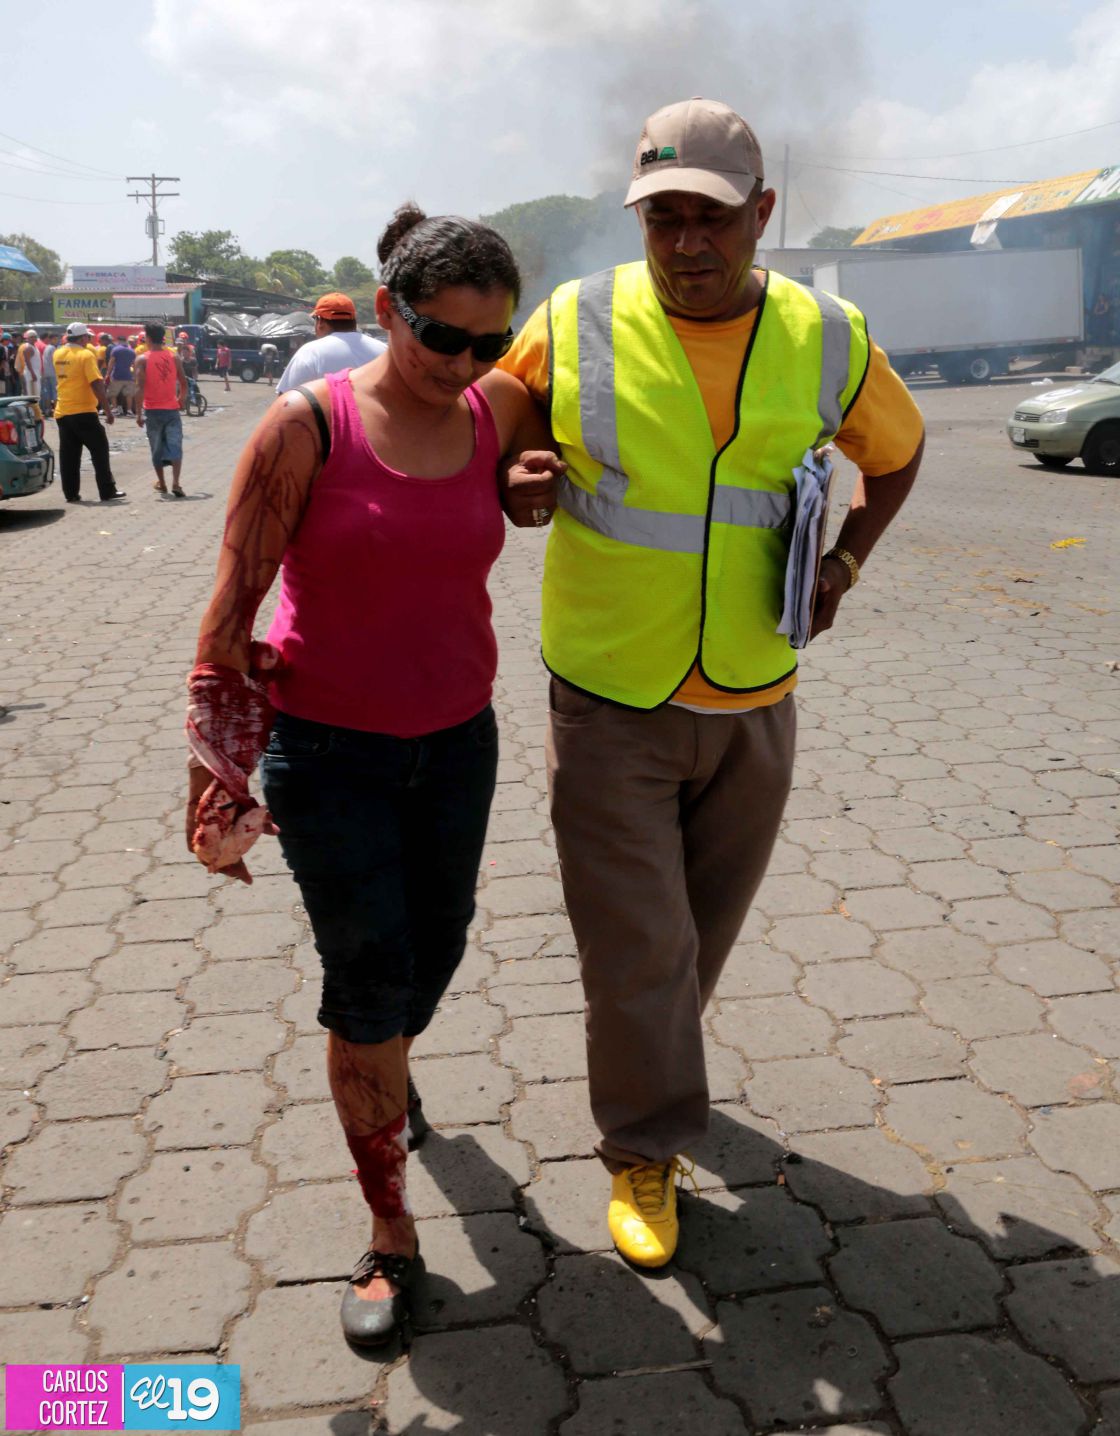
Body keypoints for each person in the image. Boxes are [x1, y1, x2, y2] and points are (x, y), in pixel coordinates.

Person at [500, 97, 925, 1269]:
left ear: (763, 215)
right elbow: (504, 421)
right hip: (608, 696)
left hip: (752, 695)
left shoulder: (828, 336)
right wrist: (514, 472)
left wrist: (843, 557)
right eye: (663, 218)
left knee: (696, 938)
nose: (687, 242)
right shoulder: (575, 318)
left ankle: (654, 1067)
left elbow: (897, 452)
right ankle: (643, 1145)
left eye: (712, 218)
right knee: (639, 946)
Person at [185, 204, 560, 1348]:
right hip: (328, 749)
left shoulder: (495, 405)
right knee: (366, 972)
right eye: (441, 337)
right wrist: (215, 771)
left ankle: (392, 1059)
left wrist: (526, 486)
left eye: (487, 345)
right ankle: (391, 1229)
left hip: (458, 737)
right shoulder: (306, 430)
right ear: (389, 310)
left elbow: (516, 489)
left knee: (435, 944)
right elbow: (229, 611)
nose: (464, 364)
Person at [52, 321, 126, 503]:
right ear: (84, 337)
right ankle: (107, 490)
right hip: (83, 411)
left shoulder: (58, 353)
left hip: (63, 411)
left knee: (69, 456)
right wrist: (108, 410)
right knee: (100, 450)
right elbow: (96, 383)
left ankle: (71, 493)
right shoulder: (85, 354)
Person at [275, 292, 385, 394]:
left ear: (321, 322)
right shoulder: (383, 350)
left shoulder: (311, 351)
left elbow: (286, 400)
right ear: (353, 320)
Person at [135, 322, 188, 495]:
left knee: (156, 448)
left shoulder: (142, 359)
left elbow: (140, 388)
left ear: (148, 338)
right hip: (172, 410)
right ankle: (176, 483)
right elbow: (184, 382)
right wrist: (181, 399)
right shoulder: (174, 357)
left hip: (152, 411)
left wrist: (138, 414)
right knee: (175, 446)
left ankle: (162, 483)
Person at [106, 335, 136, 416]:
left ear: (119, 341)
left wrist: (108, 374)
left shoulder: (115, 350)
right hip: (128, 376)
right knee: (129, 394)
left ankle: (115, 409)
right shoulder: (132, 351)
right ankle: (129, 411)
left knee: (112, 393)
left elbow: (111, 363)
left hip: (117, 375)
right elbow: (134, 364)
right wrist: (134, 375)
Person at [16, 329, 42, 402]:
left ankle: (35, 411)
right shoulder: (28, 348)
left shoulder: (34, 346)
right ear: (27, 338)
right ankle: (32, 412)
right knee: (32, 395)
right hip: (31, 374)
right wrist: (32, 374)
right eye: (31, 337)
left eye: (35, 336)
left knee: (36, 394)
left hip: (35, 373)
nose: (34, 338)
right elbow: (27, 362)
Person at [40, 334, 58, 417]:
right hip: (53, 372)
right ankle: (56, 409)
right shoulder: (53, 348)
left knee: (47, 392)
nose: (56, 340)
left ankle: (48, 409)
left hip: (46, 372)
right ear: (51, 339)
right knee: (55, 391)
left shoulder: (46, 347)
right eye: (55, 339)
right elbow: (55, 361)